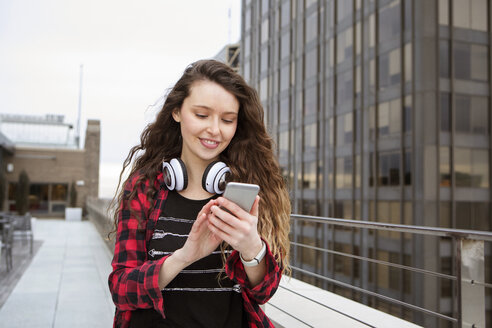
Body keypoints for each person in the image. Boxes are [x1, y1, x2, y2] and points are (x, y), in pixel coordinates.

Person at [108, 59, 291, 328]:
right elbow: (121, 289)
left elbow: (263, 293)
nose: (215, 130)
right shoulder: (143, 188)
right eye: (202, 115)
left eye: (227, 120)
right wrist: (184, 256)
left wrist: (251, 248)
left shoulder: (246, 191)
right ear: (177, 112)